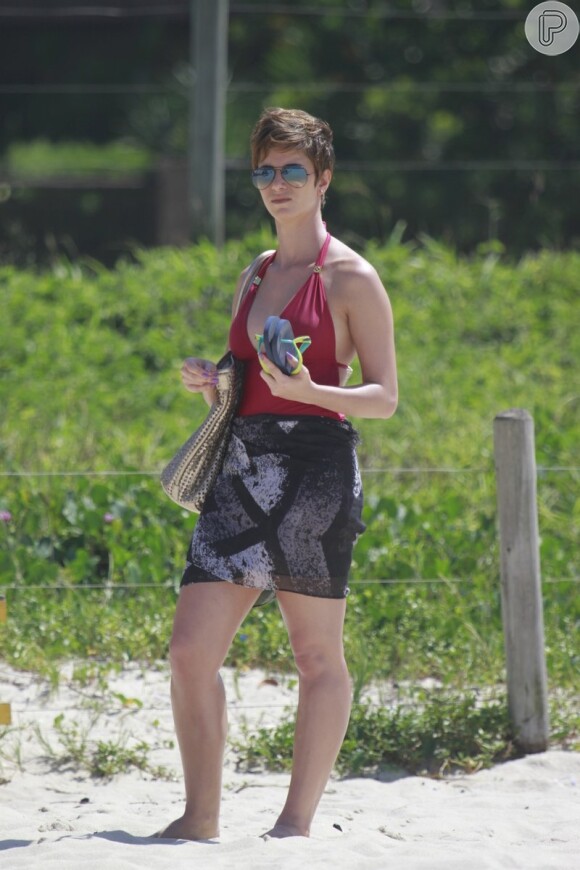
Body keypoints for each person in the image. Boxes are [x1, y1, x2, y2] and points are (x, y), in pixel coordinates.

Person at [156, 107, 398, 842]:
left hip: (317, 471)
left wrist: (311, 393)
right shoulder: (256, 272)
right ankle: (200, 819)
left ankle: (293, 826)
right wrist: (216, 379)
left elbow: (384, 396)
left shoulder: (352, 278)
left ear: (323, 178)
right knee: (190, 651)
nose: (278, 184)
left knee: (316, 654)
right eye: (265, 170)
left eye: (293, 170)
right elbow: (252, 373)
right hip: (242, 465)